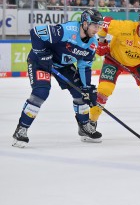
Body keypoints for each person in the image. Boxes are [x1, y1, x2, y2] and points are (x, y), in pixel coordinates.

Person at [12, 9, 104, 147]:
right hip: (41, 62)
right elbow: (36, 33)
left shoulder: (92, 44)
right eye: (94, 25)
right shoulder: (67, 30)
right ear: (85, 23)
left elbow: (84, 66)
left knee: (81, 92)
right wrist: (42, 54)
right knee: (41, 92)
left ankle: (84, 127)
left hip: (62, 65)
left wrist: (86, 87)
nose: (97, 29)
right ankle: (21, 129)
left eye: (99, 25)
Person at [90, 8, 140, 137]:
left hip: (139, 64)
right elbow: (105, 22)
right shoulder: (125, 27)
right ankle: (90, 123)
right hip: (114, 59)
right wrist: (102, 42)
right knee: (104, 90)